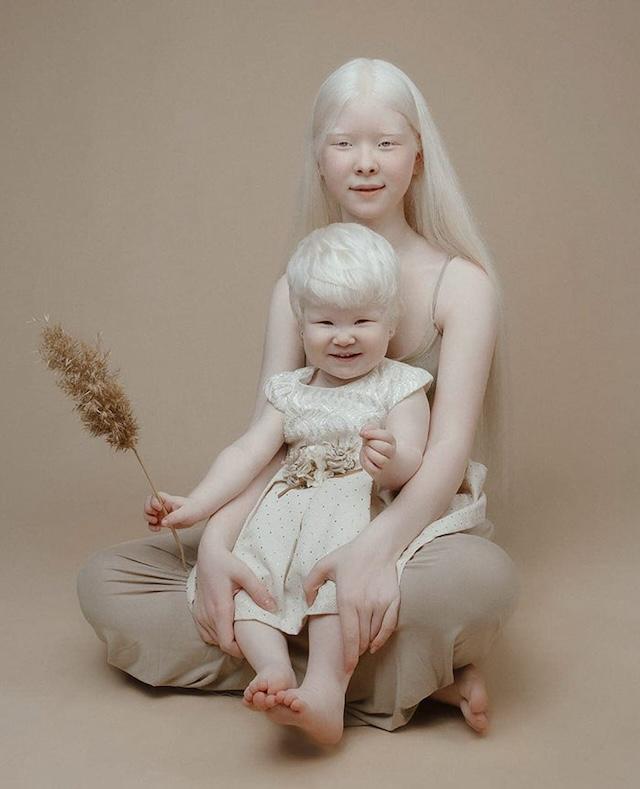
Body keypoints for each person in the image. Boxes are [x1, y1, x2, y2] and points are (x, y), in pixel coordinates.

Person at [77, 57, 520, 739]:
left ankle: (307, 658)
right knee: (108, 583)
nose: (365, 163)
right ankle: (402, 678)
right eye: (344, 143)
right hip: (292, 518)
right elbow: (269, 438)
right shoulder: (293, 288)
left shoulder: (461, 287)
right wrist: (220, 543)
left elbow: (448, 452)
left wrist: (374, 550)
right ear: (318, 157)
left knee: (481, 580)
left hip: (410, 529)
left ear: (419, 154)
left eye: (387, 143)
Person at [159, 222, 431, 744]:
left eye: (363, 320)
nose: (344, 335)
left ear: (392, 322)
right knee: (251, 580)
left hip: (353, 507)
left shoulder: (400, 385)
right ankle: (273, 669)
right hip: (284, 509)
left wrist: (389, 461)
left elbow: (413, 459)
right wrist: (196, 505)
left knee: (335, 588)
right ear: (301, 326)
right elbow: (246, 453)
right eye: (325, 321)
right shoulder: (290, 390)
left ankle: (326, 692)